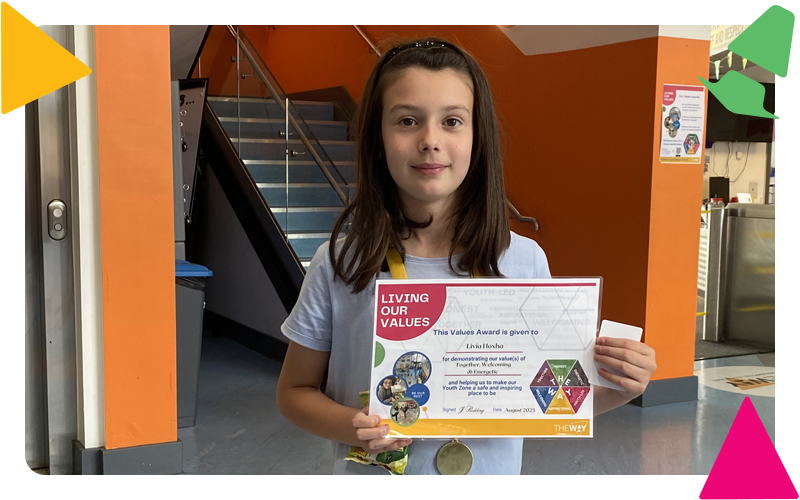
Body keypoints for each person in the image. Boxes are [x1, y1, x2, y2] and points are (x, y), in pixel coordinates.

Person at [276, 37, 657, 475]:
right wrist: (352, 426)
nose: (430, 140)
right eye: (406, 121)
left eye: (453, 121)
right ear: (378, 138)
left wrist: (624, 385)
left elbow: (554, 401)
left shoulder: (525, 262)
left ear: (478, 139)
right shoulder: (339, 263)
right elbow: (294, 392)